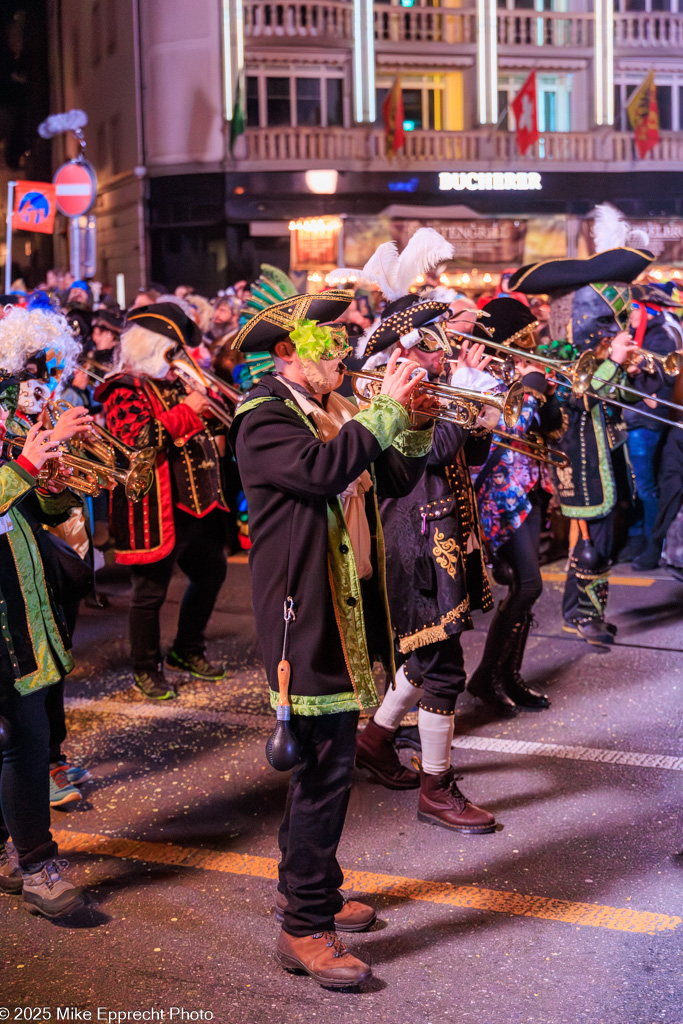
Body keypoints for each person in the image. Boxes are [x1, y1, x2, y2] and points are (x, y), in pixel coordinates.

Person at [229, 289, 434, 988]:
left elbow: (394, 475)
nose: (345, 352)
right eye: (331, 344)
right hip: (303, 618)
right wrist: (383, 412)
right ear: (288, 353)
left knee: (328, 770)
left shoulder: (331, 408)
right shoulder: (262, 419)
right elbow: (321, 472)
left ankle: (306, 890)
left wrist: (411, 422)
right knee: (323, 776)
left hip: (343, 612)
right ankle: (303, 929)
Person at [355, 302, 498, 833]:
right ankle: (435, 789)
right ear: (404, 347)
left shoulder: (429, 385)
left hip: (442, 532)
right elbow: (432, 450)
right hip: (413, 541)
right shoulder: (384, 389)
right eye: (434, 344)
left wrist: (481, 410)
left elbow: (466, 456)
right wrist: (464, 386)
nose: (444, 355)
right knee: (444, 670)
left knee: (425, 656)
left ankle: (374, 739)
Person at [508, 245, 652, 647]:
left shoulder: (598, 355)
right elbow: (581, 397)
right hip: (583, 460)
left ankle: (592, 611)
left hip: (611, 454)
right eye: (606, 320)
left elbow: (621, 400)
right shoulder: (557, 357)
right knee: (593, 542)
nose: (613, 330)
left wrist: (632, 375)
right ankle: (579, 613)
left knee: (610, 538)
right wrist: (615, 364)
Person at [95, 302, 229, 699]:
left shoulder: (173, 383)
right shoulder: (123, 388)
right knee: (150, 593)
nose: (180, 357)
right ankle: (145, 666)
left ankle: (186, 649)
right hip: (154, 508)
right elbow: (135, 441)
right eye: (173, 349)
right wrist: (188, 411)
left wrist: (208, 401)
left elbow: (214, 421)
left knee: (211, 572)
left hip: (195, 504)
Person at [0, 380, 93, 918]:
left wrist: (55, 478)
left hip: (24, 623)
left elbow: (48, 514)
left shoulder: (10, 451)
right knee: (25, 744)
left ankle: (12, 854)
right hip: (5, 631)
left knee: (19, 740)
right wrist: (29, 465)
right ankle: (36, 866)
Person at [466, 298, 562, 715]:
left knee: (525, 587)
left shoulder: (518, 373)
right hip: (498, 496)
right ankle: (487, 675)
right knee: (528, 584)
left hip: (529, 487)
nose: (532, 344)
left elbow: (550, 430)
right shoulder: (480, 377)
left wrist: (549, 394)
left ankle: (508, 675)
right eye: (525, 338)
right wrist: (534, 387)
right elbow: (511, 425)